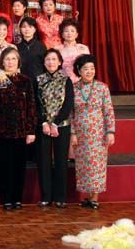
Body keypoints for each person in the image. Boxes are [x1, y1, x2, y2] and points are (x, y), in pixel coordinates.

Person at [0, 47, 37, 210]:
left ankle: (17, 199)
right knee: (4, 166)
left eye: (13, 59)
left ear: (18, 61)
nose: (10, 62)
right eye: (7, 59)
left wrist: (31, 130)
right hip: (2, 132)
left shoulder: (25, 81)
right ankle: (6, 199)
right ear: (2, 62)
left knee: (19, 167)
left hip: (21, 131)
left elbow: (31, 106)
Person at [71, 54, 116, 210]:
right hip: (80, 132)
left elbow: (108, 111)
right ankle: (89, 197)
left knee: (96, 164)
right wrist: (72, 133)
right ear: (79, 70)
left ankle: (95, 198)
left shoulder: (102, 87)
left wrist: (110, 131)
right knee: (83, 164)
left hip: (98, 132)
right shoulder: (73, 88)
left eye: (92, 68)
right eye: (86, 69)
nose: (89, 71)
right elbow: (70, 113)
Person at [35, 48, 74, 208]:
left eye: (54, 59)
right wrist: (44, 122)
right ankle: (46, 196)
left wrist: (55, 123)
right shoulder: (38, 79)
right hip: (43, 126)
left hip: (61, 125)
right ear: (44, 62)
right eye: (48, 59)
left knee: (61, 161)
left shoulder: (66, 80)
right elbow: (36, 103)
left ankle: (60, 197)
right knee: (43, 161)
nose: (51, 62)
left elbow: (68, 104)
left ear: (59, 62)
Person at [56, 18, 90, 83]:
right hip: (62, 82)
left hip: (80, 82)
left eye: (72, 31)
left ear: (76, 34)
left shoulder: (83, 48)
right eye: (66, 31)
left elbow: (87, 67)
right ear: (62, 34)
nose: (69, 33)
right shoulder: (57, 49)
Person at [16, 17, 46, 85]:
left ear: (35, 29)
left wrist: (43, 84)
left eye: (30, 27)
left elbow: (45, 66)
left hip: (38, 81)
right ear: (20, 29)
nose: (27, 29)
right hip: (21, 82)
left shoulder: (41, 46)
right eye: (24, 27)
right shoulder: (16, 47)